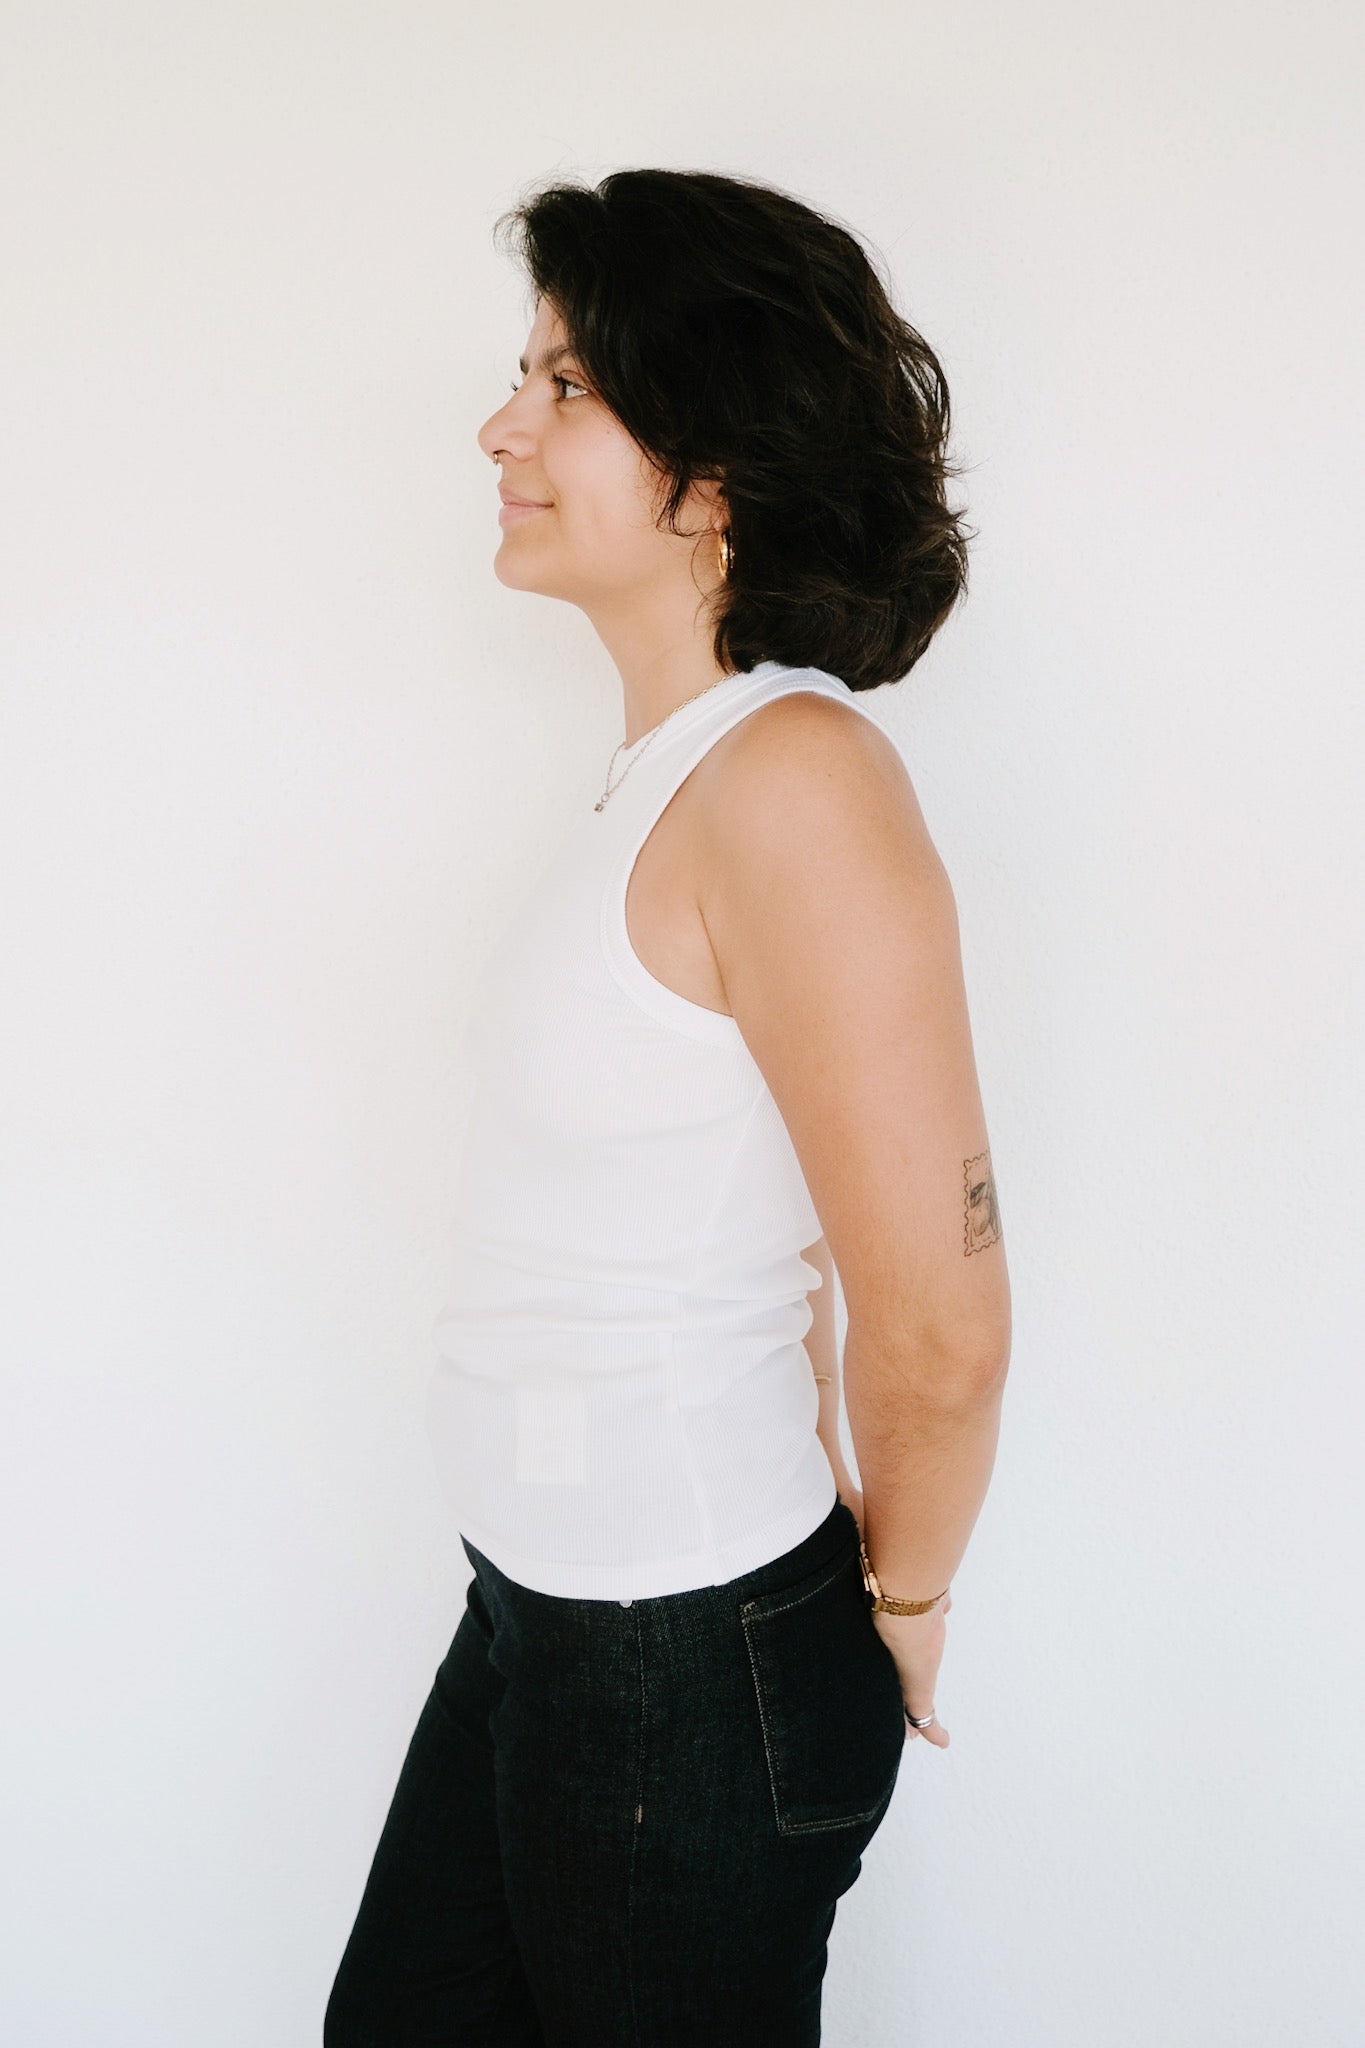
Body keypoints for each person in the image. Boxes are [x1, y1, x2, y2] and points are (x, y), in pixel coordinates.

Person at [324, 167, 1012, 2047]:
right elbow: (768, 1220)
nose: (501, 426)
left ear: (714, 473)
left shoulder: (797, 780)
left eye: (564, 384)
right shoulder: (667, 777)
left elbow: (942, 1321)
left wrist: (902, 1604)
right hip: (541, 1616)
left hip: (679, 1658)